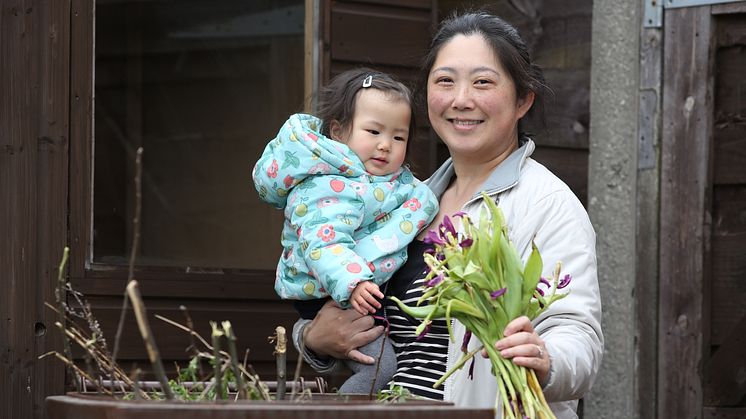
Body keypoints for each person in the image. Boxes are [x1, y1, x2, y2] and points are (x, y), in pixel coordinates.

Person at [291, 11, 603, 418]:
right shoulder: (406, 203)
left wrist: (546, 358)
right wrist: (313, 337)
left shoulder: (547, 203)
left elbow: (579, 335)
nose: (461, 100)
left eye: (483, 82)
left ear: (523, 99)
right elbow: (336, 292)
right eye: (445, 81)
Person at [252, 68, 439, 393]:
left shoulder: (375, 180)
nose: (385, 146)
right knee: (380, 367)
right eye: (373, 131)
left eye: (398, 137)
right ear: (338, 132)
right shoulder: (330, 186)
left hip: (350, 285)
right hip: (332, 287)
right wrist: (352, 281)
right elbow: (324, 243)